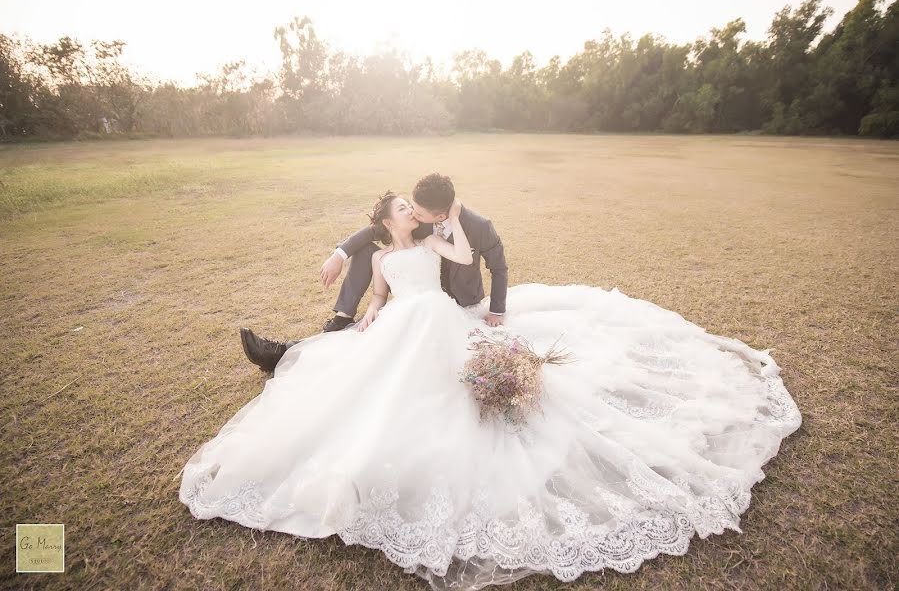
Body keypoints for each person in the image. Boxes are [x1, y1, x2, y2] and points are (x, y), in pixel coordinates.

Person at [178, 192, 802, 590]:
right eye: (401, 208)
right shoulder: (379, 252)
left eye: (411, 207)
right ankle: (309, 356)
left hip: (440, 317)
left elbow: (462, 248)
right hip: (398, 320)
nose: (408, 213)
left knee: (443, 376)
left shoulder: (429, 235)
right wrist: (366, 313)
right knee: (367, 368)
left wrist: (447, 224)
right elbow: (378, 293)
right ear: (388, 220)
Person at [239, 173, 507, 372]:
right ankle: (332, 324)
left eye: (415, 210)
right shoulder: (415, 224)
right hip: (408, 306)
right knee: (366, 339)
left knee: (381, 351)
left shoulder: (477, 227)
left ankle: (293, 349)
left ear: (437, 216)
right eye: (407, 208)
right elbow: (372, 232)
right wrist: (339, 254)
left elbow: (498, 268)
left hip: (453, 305)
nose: (412, 212)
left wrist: (496, 309)